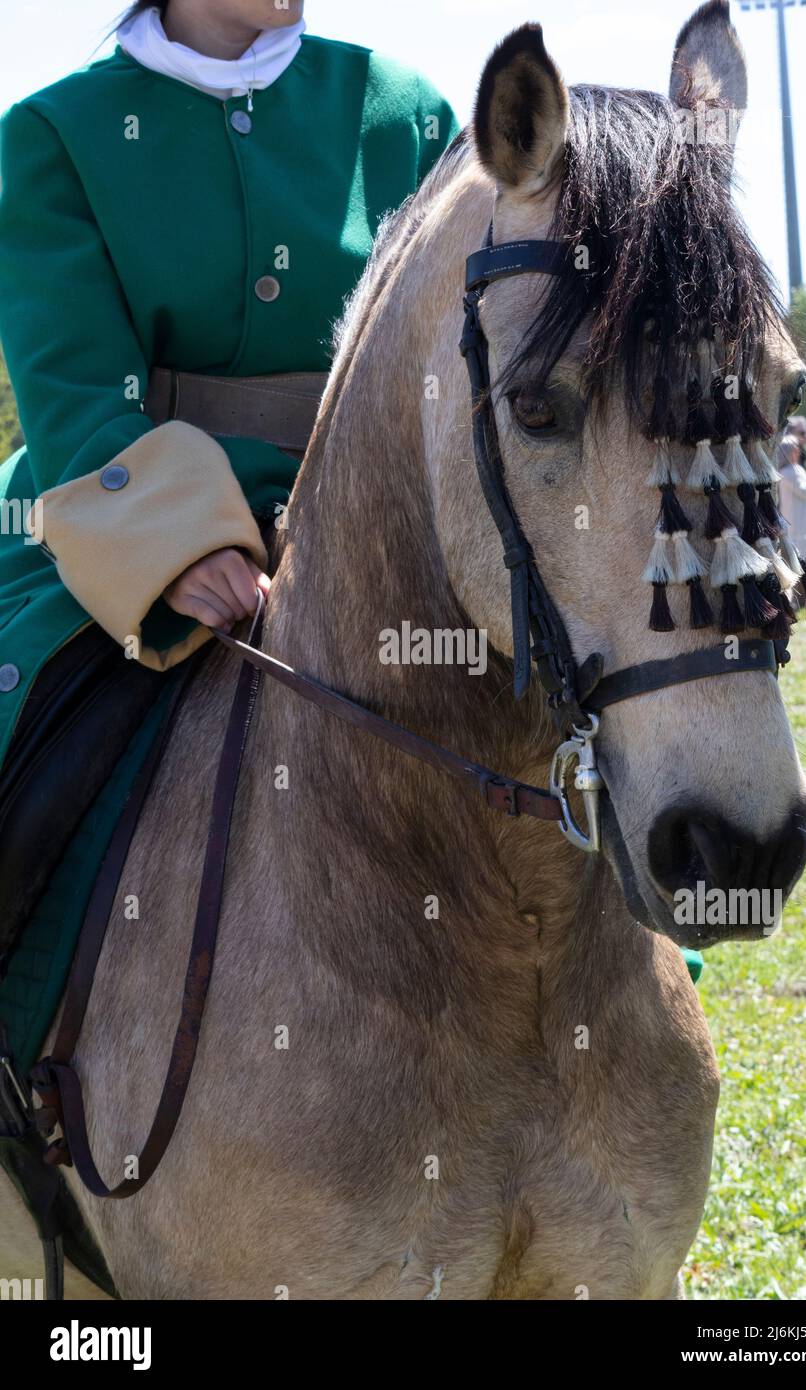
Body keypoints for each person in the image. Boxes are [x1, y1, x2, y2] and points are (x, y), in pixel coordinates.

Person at [0, 0, 460, 960]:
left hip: (394, 524)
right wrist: (176, 540)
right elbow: (74, 386)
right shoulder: (51, 135)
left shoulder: (410, 113)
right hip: (123, 516)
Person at [777, 420, 806, 568]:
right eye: (795, 449)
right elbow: (804, 491)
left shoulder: (795, 470)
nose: (798, 451)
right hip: (795, 523)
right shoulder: (788, 472)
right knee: (800, 564)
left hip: (802, 520)